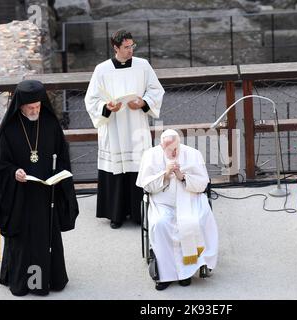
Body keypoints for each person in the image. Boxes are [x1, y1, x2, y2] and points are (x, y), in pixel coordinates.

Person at [0, 80, 79, 296]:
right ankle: (25, 281)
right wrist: (14, 172)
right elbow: (1, 166)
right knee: (23, 239)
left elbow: (63, 154)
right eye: (30, 108)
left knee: (46, 235)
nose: (35, 110)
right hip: (20, 196)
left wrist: (60, 175)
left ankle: (48, 279)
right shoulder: (9, 129)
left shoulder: (49, 123)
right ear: (20, 106)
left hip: (47, 193)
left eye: (38, 106)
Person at [85, 29, 164, 229]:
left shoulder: (143, 66)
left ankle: (139, 214)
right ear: (116, 48)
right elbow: (91, 99)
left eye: (132, 46)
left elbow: (156, 90)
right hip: (113, 126)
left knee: (138, 166)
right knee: (116, 169)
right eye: (126, 47)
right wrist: (107, 107)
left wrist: (143, 102)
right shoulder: (101, 70)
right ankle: (116, 214)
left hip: (136, 123)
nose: (130, 50)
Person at [136, 129, 218, 290]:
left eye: (175, 149)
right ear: (161, 146)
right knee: (161, 224)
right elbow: (146, 186)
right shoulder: (150, 155)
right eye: (169, 149)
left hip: (190, 199)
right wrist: (165, 174)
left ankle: (186, 273)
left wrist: (182, 176)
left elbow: (202, 185)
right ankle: (164, 275)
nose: (173, 153)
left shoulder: (192, 154)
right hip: (163, 203)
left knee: (196, 220)